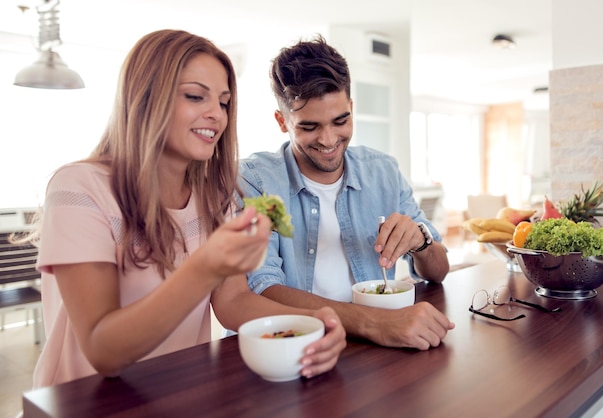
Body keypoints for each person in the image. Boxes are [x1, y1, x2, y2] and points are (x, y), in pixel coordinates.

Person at [30, 29, 346, 389]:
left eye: (224, 102)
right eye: (196, 96)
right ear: (145, 98)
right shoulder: (79, 187)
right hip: (86, 402)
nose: (217, 115)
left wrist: (315, 321)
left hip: (179, 392)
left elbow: (234, 300)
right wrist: (206, 265)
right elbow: (103, 351)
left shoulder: (214, 196)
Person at [239, 35, 454, 350]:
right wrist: (373, 321)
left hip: (377, 345)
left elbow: (438, 272)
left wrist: (421, 241)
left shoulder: (384, 172)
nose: (328, 140)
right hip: (293, 349)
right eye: (309, 127)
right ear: (282, 121)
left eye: (341, 121)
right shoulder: (256, 181)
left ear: (352, 108)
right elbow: (261, 287)